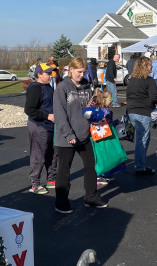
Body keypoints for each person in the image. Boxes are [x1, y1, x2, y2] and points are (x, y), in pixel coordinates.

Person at [53, 57, 107, 213]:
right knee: (64, 170)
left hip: (84, 135)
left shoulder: (86, 87)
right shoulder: (62, 88)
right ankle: (61, 202)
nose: (81, 75)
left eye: (83, 72)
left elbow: (86, 110)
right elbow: (60, 114)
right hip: (67, 137)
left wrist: (93, 108)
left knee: (91, 166)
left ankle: (91, 197)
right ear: (71, 70)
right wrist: (69, 134)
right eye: (78, 72)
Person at [126, 56, 157, 176]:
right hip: (143, 112)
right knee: (142, 139)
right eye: (150, 65)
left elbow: (128, 96)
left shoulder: (132, 79)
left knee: (140, 138)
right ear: (145, 67)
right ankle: (140, 167)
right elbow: (154, 97)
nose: (152, 67)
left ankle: (139, 164)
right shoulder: (149, 80)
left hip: (131, 111)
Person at [25, 63, 58, 194]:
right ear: (39, 74)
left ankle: (51, 179)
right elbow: (29, 110)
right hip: (39, 125)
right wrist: (47, 116)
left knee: (53, 153)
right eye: (48, 73)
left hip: (50, 125)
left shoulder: (48, 86)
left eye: (51, 73)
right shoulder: (36, 88)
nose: (51, 76)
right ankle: (35, 183)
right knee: (38, 154)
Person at [83, 89, 118, 186]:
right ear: (103, 100)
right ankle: (99, 175)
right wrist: (116, 122)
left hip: (97, 135)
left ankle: (104, 173)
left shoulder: (98, 109)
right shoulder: (106, 111)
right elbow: (107, 124)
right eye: (110, 98)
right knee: (102, 154)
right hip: (103, 135)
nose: (111, 100)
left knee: (100, 154)